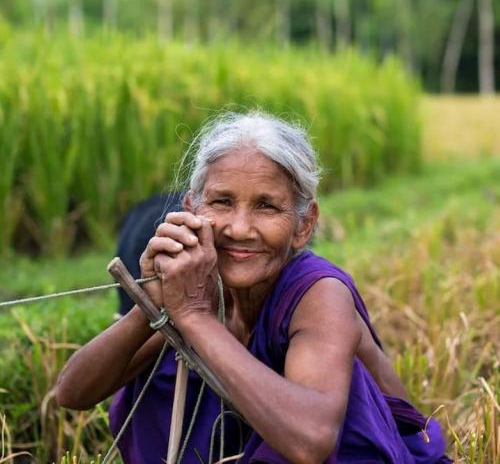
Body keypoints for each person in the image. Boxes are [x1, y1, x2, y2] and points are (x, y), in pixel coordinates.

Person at [56, 112, 451, 463]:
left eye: (267, 206)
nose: (240, 228)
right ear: (192, 209)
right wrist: (153, 306)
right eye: (222, 202)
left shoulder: (318, 293)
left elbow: (311, 442)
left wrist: (194, 318)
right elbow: (72, 393)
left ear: (304, 225)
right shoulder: (199, 286)